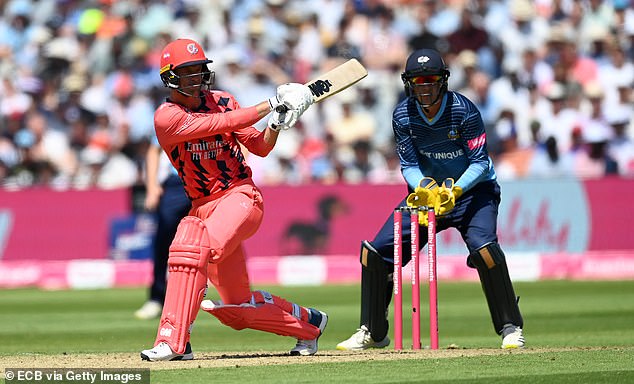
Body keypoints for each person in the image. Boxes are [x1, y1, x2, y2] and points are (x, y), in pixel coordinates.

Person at [140, 38, 326, 361]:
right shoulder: (166, 117)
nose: (196, 78)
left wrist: (275, 123)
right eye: (187, 73)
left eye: (199, 70)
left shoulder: (223, 100)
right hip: (202, 207)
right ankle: (308, 324)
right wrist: (271, 102)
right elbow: (218, 124)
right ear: (170, 78)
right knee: (238, 309)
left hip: (241, 197)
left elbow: (260, 146)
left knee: (191, 247)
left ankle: (174, 341)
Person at [336, 48, 525, 351]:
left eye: (430, 80)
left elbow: (480, 162)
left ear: (443, 81)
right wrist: (425, 187)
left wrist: (454, 191)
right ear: (408, 83)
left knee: (485, 250)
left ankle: (510, 327)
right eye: (418, 81)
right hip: (427, 197)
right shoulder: (402, 114)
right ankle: (373, 331)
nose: (425, 87)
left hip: (473, 193)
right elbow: (409, 165)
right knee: (374, 254)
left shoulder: (464, 111)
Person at [134, 137, 190, 320]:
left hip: (210, 180)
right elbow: (153, 149)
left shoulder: (214, 110)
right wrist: (152, 187)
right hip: (176, 183)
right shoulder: (172, 112)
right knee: (163, 239)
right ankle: (156, 298)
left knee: (225, 238)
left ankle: (239, 298)